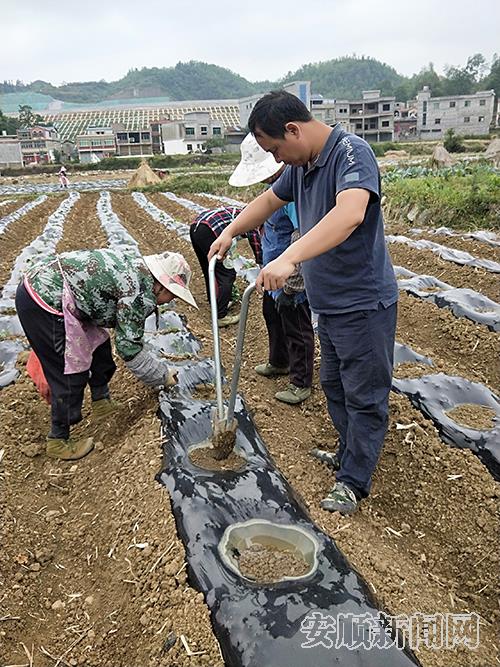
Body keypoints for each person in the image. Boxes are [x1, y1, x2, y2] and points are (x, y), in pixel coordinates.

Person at [209, 91, 398, 515]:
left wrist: (289, 256)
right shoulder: (302, 167)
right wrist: (231, 232)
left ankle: (354, 480)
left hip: (363, 303)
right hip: (328, 304)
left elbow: (349, 214)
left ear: (293, 130)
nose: (279, 160)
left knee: (364, 394)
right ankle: (350, 454)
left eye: (276, 149)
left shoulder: (352, 153)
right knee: (333, 385)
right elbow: (268, 201)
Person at [15, 249, 197, 461]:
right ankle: (58, 439)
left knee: (100, 345)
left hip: (67, 295)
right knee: (70, 368)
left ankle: (101, 401)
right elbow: (130, 350)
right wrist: (162, 376)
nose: (170, 300)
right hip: (42, 299)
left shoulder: (140, 273)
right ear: (160, 284)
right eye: (172, 293)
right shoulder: (137, 293)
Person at [229, 133, 314, 405]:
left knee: (296, 327)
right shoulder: (275, 190)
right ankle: (279, 361)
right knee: (271, 314)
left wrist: (293, 283)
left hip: (290, 278)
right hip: (272, 273)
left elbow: (304, 238)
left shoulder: (292, 195)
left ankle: (301, 382)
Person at [189, 205, 262, 327]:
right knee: (227, 274)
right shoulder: (255, 218)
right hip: (209, 230)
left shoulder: (241, 211)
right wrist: (261, 262)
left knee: (210, 269)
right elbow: (255, 240)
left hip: (196, 227)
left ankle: (215, 302)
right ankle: (220, 316)